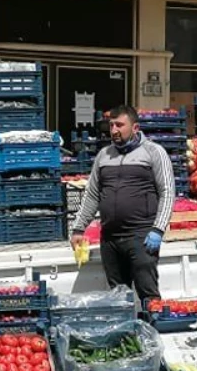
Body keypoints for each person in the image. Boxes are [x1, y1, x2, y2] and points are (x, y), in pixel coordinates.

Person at [70, 105, 175, 302]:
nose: (114, 130)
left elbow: (167, 192)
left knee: (148, 292)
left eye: (120, 125)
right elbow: (92, 195)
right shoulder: (103, 155)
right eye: (111, 125)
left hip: (141, 236)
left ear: (135, 128)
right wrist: (78, 228)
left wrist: (158, 229)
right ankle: (126, 333)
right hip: (110, 237)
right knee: (117, 297)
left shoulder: (154, 152)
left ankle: (153, 329)